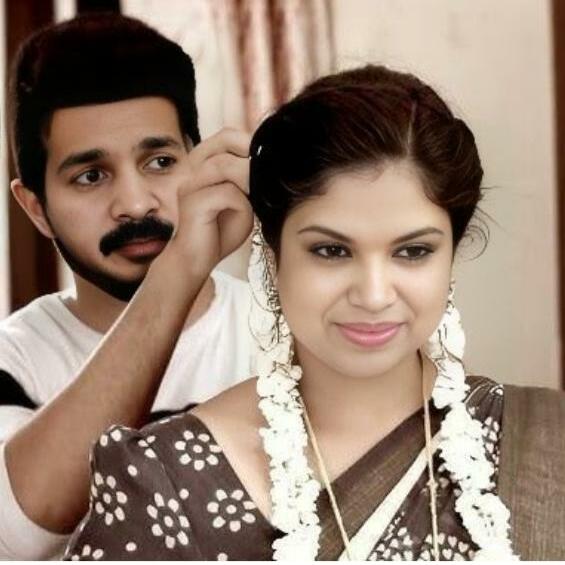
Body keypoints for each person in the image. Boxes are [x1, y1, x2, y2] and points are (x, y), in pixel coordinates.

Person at [65, 65, 565, 560]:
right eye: (331, 251)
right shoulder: (167, 484)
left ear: (450, 255)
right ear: (273, 256)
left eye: (413, 251)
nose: (373, 295)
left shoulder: (547, 442)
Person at [0, 13, 256, 560]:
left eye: (160, 162)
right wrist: (178, 273)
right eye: (91, 176)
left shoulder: (282, 331)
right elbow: (17, 533)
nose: (136, 204)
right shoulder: (13, 360)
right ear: (35, 207)